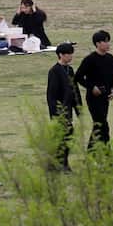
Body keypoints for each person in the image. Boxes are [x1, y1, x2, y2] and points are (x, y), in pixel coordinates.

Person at [74, 30, 113, 148]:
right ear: (98, 43)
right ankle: (104, 152)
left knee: (99, 125)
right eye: (105, 41)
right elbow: (78, 76)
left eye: (108, 41)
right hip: (94, 97)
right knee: (101, 125)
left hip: (106, 97)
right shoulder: (90, 59)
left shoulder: (110, 58)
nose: (108, 44)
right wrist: (91, 87)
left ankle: (95, 152)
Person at [46, 42, 81, 170]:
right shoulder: (54, 71)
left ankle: (61, 163)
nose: (70, 56)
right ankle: (59, 164)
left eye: (71, 54)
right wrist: (56, 112)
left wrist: (78, 108)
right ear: (60, 55)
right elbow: (51, 95)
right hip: (59, 111)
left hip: (68, 110)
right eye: (68, 54)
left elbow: (74, 90)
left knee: (67, 136)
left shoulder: (70, 70)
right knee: (61, 137)